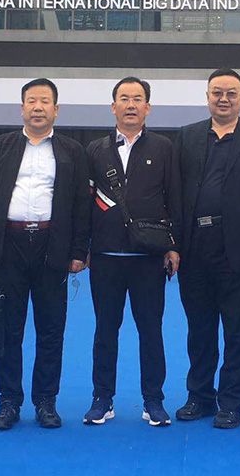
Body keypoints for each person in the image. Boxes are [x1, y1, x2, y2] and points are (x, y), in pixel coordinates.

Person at [0, 78, 90, 431]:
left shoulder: (72, 151)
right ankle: (8, 401)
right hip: (8, 246)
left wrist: (78, 249)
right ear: (22, 108)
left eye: (45, 101)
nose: (38, 107)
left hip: (53, 247)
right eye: (32, 101)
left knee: (51, 329)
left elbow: (81, 205)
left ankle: (45, 401)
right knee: (8, 329)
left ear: (56, 109)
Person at [175, 68, 240, 429]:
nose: (224, 99)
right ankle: (199, 397)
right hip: (193, 248)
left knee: (238, 331)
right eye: (217, 92)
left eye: (231, 93)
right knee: (199, 330)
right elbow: (175, 191)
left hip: (237, 249)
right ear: (207, 97)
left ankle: (233, 402)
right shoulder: (186, 137)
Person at [83, 77, 181, 427]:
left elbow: (175, 198)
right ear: (113, 106)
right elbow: (84, 202)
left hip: (149, 258)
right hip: (105, 257)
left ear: (147, 107)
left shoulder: (164, 147)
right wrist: (83, 247)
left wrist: (173, 246)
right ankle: (102, 399)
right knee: (105, 331)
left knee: (151, 331)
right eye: (124, 98)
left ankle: (153, 400)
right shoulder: (94, 150)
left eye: (137, 99)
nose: (130, 105)